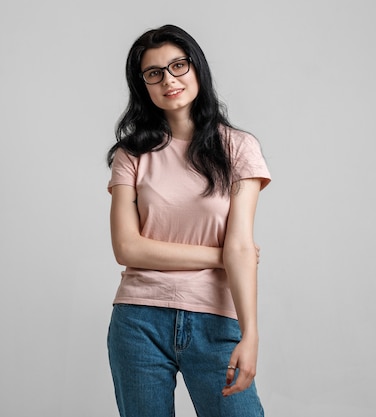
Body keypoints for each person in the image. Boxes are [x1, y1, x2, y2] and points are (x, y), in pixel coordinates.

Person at [106, 24, 271, 417]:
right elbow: (126, 248)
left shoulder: (238, 148)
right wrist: (220, 256)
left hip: (215, 319)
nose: (169, 80)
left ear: (197, 68)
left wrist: (250, 335)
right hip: (139, 320)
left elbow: (241, 244)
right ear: (143, 85)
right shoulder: (130, 155)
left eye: (178, 65)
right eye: (154, 73)